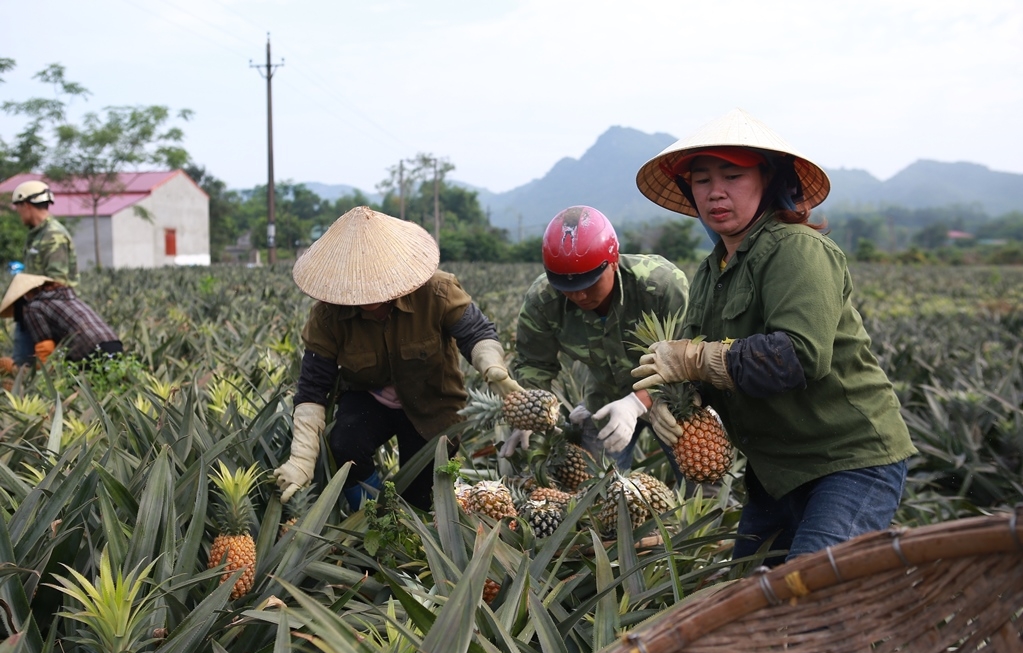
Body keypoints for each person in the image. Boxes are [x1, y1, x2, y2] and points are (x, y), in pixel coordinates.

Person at [631, 108, 915, 565]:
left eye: (733, 175)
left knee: (810, 595)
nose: (715, 191)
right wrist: (667, 401)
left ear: (768, 180)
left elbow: (796, 357)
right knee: (753, 598)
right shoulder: (709, 274)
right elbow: (689, 368)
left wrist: (694, 359)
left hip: (848, 460)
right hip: (776, 470)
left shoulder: (796, 248)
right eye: (701, 180)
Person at [272, 206, 521, 511]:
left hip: (433, 400)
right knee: (344, 449)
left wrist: (493, 367)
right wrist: (301, 458)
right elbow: (313, 386)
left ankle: (411, 523)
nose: (366, 294)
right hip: (369, 399)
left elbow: (475, 332)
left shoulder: (436, 291)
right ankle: (373, 514)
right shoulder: (328, 315)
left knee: (422, 496)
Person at [507, 205, 690, 476]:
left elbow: (687, 358)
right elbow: (534, 363)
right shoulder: (543, 300)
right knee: (595, 492)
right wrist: (529, 414)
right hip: (606, 397)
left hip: (676, 398)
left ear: (613, 262)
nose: (579, 295)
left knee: (705, 488)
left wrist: (637, 403)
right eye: (567, 287)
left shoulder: (661, 286)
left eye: (589, 283)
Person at [9, 180, 79, 367]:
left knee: (37, 367)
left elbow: (58, 281)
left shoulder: (53, 235)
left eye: (18, 207)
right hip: (32, 309)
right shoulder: (37, 234)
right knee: (23, 364)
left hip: (47, 312)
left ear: (26, 205)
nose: (18, 212)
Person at [0, 273, 122, 367]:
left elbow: (46, 352)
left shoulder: (34, 307)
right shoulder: (67, 297)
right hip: (115, 346)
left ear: (26, 296)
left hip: (89, 352)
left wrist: (23, 372)